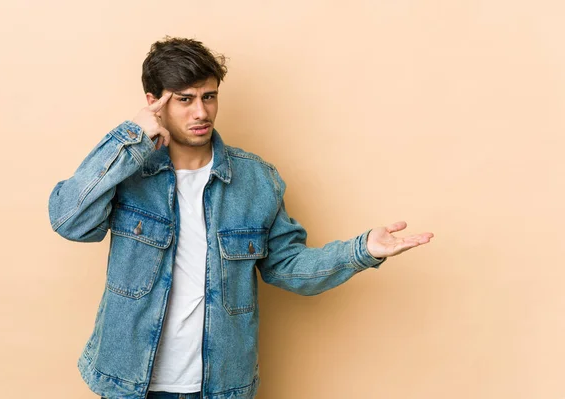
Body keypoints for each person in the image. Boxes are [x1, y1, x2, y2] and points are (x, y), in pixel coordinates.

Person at [48, 36, 434, 399]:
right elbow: (69, 221)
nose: (201, 112)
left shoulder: (256, 179)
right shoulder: (129, 169)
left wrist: (362, 250)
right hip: (130, 381)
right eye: (185, 99)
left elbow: (286, 266)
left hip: (222, 385)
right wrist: (129, 137)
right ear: (153, 103)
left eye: (209, 97)